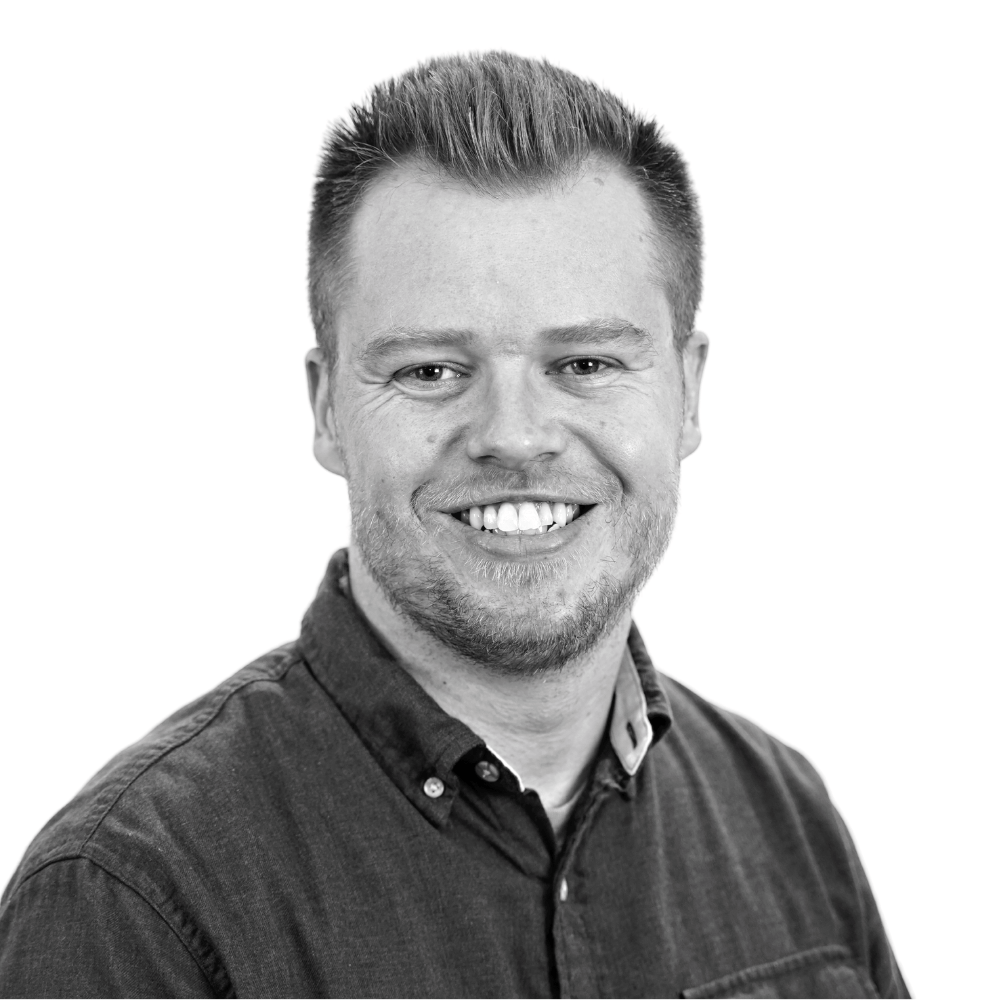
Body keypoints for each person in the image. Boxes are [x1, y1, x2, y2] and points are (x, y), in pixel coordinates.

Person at [0, 52, 908, 998]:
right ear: (325, 411)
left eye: (588, 364)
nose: (514, 437)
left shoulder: (787, 825)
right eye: (431, 370)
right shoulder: (130, 906)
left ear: (687, 396)